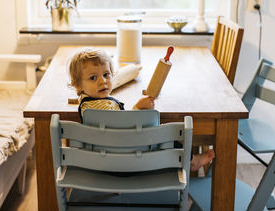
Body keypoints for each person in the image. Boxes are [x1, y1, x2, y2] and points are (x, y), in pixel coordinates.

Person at [68, 48, 214, 171]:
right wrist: (139, 107)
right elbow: (123, 126)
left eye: (106, 75)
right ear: (78, 85)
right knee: (167, 136)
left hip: (103, 162)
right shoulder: (99, 106)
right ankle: (191, 162)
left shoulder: (87, 101)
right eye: (93, 78)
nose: (103, 81)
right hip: (130, 160)